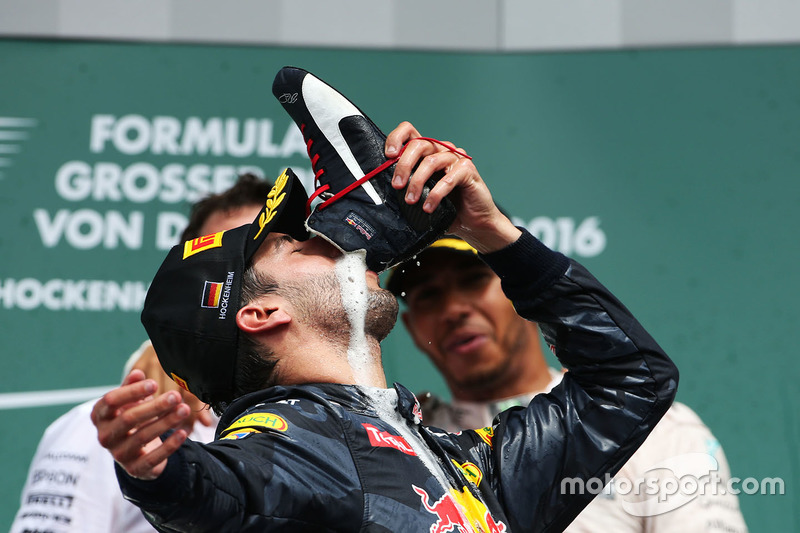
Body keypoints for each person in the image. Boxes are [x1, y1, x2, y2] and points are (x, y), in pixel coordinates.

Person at [90, 120, 679, 532]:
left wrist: (494, 234)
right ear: (263, 313)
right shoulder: (290, 449)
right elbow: (226, 493)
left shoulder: (469, 465)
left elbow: (630, 378)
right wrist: (161, 474)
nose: (338, 242)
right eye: (298, 243)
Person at [387, 235, 749, 532]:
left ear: (519, 291)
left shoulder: (651, 424)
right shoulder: (406, 444)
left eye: (472, 281)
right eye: (429, 297)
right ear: (412, 329)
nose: (453, 310)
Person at [11, 173, 272, 533]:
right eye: (225, 253)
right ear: (187, 277)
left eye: (268, 249)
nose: (244, 273)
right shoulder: (118, 426)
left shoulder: (337, 428)